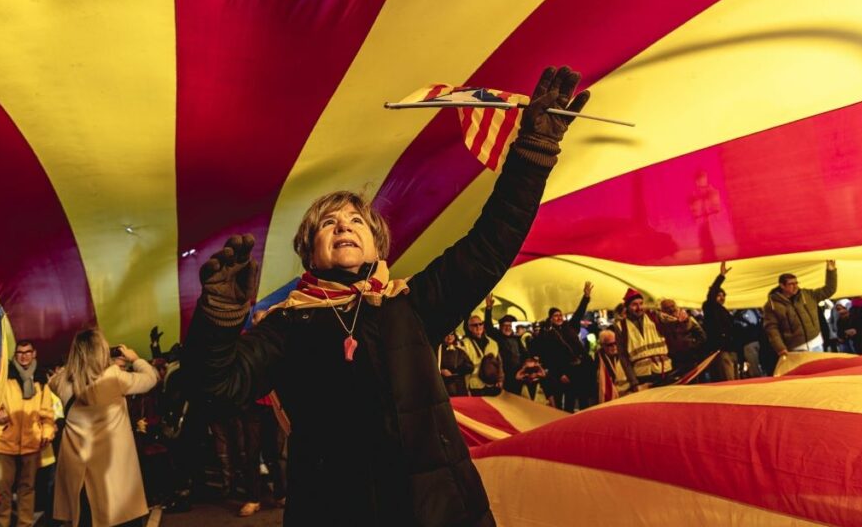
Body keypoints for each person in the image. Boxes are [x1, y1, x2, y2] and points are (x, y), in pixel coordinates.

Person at [185, 66, 590, 526]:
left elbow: (491, 242)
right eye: (328, 223)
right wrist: (218, 320)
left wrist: (533, 152)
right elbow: (215, 389)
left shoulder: (411, 304)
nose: (343, 226)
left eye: (356, 221)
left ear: (378, 244)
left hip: (439, 510)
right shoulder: (285, 325)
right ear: (308, 251)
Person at [49, 330, 159, 527]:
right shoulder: (115, 378)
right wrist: (136, 359)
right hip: (115, 478)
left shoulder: (63, 383)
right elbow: (151, 378)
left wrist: (76, 363)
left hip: (80, 478)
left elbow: (54, 380)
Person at [0, 339, 55, 527]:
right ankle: (1, 524)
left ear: (34, 354)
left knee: (27, 489)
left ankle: (24, 524)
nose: (24, 356)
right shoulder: (4, 378)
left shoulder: (41, 380)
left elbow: (47, 413)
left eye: (28, 352)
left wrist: (47, 433)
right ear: (14, 355)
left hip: (31, 443)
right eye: (20, 352)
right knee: (3, 490)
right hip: (3, 442)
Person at [536, 282, 595, 412]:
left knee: (584, 398)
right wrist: (560, 373)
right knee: (569, 401)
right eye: (555, 316)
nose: (559, 317)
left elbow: (579, 313)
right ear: (550, 319)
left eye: (560, 315)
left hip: (581, 368)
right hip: (567, 371)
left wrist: (585, 297)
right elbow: (551, 358)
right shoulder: (548, 335)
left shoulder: (570, 326)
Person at [763, 261, 837, 356]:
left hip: (817, 344)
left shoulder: (808, 295)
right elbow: (772, 329)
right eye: (791, 284)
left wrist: (831, 270)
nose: (795, 286)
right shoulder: (772, 305)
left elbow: (830, 289)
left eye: (796, 283)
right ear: (782, 286)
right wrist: (780, 348)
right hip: (796, 350)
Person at [617, 288, 673, 385]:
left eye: (641, 303)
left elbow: (675, 329)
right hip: (643, 376)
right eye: (634, 304)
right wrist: (634, 382)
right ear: (627, 307)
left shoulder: (654, 316)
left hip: (665, 370)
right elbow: (623, 357)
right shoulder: (620, 326)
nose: (639, 307)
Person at [703, 261, 738, 380]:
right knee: (727, 378)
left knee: (733, 378)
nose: (722, 297)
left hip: (730, 348)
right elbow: (711, 294)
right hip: (720, 349)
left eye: (724, 295)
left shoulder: (724, 311)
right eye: (719, 295)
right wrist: (721, 276)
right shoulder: (710, 307)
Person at [438, 332, 474, 397]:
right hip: (444, 386)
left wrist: (457, 371)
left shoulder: (460, 351)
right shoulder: (438, 351)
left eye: (451, 334)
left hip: (459, 386)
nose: (449, 337)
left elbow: (470, 367)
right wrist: (441, 371)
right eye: (447, 335)